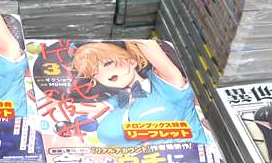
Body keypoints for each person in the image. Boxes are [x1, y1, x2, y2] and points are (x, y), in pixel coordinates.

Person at [66, 40, 208, 146]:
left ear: (131, 61)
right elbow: (90, 109)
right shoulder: (120, 100)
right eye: (95, 73)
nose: (105, 74)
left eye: (108, 64)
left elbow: (147, 44)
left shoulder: (164, 84)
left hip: (192, 157)